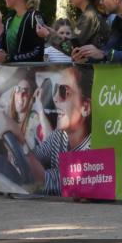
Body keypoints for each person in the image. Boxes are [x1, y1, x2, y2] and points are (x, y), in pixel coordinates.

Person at [23, 65, 93, 196]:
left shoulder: (92, 149)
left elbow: (45, 181)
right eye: (55, 89)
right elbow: (36, 156)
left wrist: (18, 138)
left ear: (85, 108)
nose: (55, 98)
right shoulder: (59, 136)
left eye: (63, 91)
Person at [0, 0, 46, 64]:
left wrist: (8, 57)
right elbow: (5, 49)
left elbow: (38, 53)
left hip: (30, 71)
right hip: (10, 71)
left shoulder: (35, 17)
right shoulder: (9, 19)